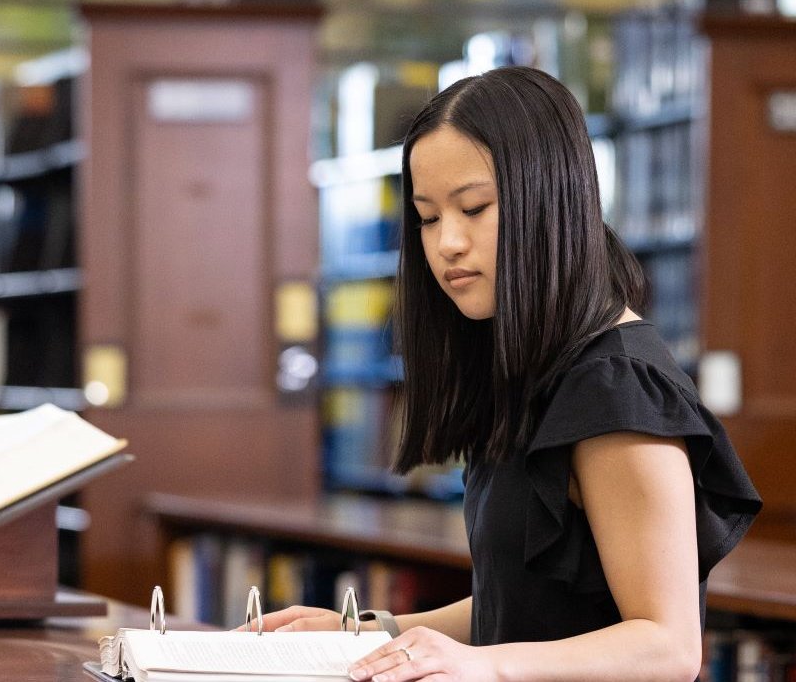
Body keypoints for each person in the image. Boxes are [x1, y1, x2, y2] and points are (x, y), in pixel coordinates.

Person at [242, 66, 762, 681]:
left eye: (474, 208)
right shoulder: (539, 370)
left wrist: (487, 670)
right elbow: (522, 610)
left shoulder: (617, 387)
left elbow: (666, 647)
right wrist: (371, 635)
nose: (447, 244)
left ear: (550, 200)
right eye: (429, 218)